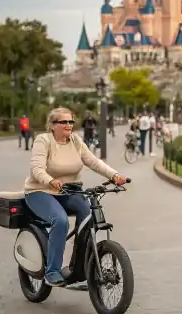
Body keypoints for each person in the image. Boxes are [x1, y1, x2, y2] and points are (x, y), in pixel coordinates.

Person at [24, 108, 128, 286]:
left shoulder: (75, 141)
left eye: (71, 122)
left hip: (69, 191)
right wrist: (50, 181)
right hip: (41, 191)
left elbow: (93, 162)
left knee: (88, 216)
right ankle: (52, 271)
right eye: (63, 122)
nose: (68, 125)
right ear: (53, 125)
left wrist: (114, 176)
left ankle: (79, 266)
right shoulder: (43, 140)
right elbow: (37, 168)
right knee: (61, 221)